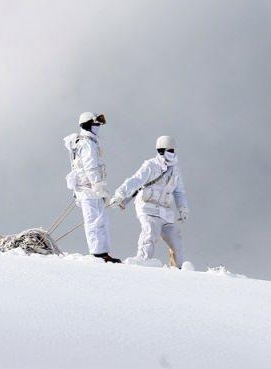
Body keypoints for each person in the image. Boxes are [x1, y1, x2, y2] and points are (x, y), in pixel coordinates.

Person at [108, 136, 188, 267]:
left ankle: (177, 268)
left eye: (173, 150)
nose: (172, 153)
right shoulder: (150, 165)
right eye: (169, 150)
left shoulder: (175, 170)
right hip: (148, 208)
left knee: (176, 239)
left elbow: (179, 192)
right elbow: (135, 180)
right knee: (150, 233)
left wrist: (183, 209)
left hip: (165, 212)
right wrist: (120, 195)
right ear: (161, 150)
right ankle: (142, 262)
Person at [63, 112, 121, 263]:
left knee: (100, 220)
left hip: (87, 188)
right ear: (88, 125)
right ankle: (98, 253)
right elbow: (90, 167)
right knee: (94, 221)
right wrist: (98, 186)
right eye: (96, 125)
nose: (98, 128)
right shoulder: (88, 143)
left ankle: (103, 252)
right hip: (89, 188)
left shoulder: (82, 141)